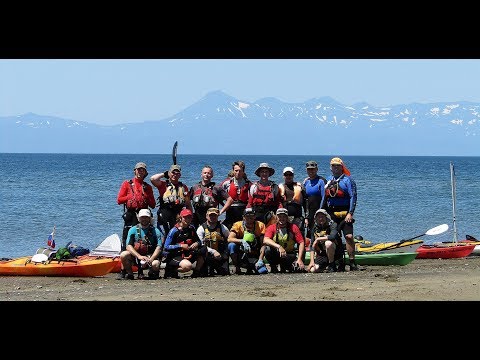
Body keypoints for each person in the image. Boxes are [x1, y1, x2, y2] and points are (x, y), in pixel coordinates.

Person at [117, 162, 156, 278]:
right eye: (138, 170)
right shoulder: (127, 184)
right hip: (130, 215)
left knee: (142, 242)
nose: (140, 172)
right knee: (126, 242)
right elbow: (119, 200)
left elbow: (153, 204)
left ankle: (140, 271)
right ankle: (123, 270)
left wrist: (146, 196)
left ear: (145, 173)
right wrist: (131, 197)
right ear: (134, 171)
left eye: (142, 170)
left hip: (143, 215)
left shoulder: (147, 187)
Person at [321, 157, 358, 271]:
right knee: (334, 237)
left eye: (337, 166)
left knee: (349, 236)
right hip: (332, 213)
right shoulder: (328, 180)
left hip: (345, 212)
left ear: (342, 167)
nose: (335, 168)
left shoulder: (348, 180)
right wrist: (320, 211)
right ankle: (335, 263)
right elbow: (324, 197)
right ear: (330, 168)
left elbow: (353, 197)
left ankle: (352, 262)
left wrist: (350, 213)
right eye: (333, 166)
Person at [117, 209, 164, 280]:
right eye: (142, 217)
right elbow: (128, 246)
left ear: (149, 218)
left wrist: (151, 259)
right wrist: (139, 256)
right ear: (138, 218)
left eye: (146, 217)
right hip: (136, 256)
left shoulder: (155, 231)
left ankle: (152, 272)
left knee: (156, 264)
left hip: (150, 255)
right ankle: (130, 274)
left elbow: (159, 247)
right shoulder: (132, 230)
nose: (144, 219)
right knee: (124, 254)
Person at [162, 208, 207, 278]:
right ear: (180, 218)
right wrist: (180, 246)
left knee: (203, 250)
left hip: (188, 253)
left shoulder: (191, 228)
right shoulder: (174, 231)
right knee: (187, 266)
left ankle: (196, 271)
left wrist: (196, 243)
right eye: (185, 218)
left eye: (189, 217)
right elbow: (166, 247)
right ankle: (171, 269)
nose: (187, 220)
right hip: (174, 255)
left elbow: (199, 241)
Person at [150, 164, 192, 236]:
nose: (175, 175)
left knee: (177, 235)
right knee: (164, 235)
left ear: (180, 175)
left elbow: (188, 204)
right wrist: (164, 174)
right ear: (169, 173)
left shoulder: (184, 187)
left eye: (177, 173)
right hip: (165, 213)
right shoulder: (163, 184)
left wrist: (190, 217)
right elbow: (153, 179)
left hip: (178, 215)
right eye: (173, 173)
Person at [261, 207, 305, 273]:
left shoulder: (294, 227)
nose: (282, 219)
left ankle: (285, 266)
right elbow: (265, 240)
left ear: (287, 218)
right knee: (267, 249)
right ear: (276, 217)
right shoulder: (272, 227)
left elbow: (301, 242)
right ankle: (273, 266)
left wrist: (299, 259)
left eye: (284, 216)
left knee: (296, 270)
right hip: (276, 253)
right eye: (279, 216)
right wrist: (279, 247)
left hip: (288, 255)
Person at [227, 208, 266, 275]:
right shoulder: (237, 225)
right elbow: (229, 239)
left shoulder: (260, 225)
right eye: (247, 215)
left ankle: (255, 264)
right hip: (241, 252)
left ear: (255, 216)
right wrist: (242, 241)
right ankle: (237, 267)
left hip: (255, 251)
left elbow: (263, 244)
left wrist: (260, 259)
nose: (249, 217)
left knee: (262, 271)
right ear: (243, 217)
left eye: (251, 215)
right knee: (231, 245)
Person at [306, 208, 344, 273]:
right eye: (319, 217)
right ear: (316, 218)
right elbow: (312, 245)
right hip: (323, 254)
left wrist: (318, 239)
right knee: (313, 270)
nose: (321, 219)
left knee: (328, 243)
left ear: (326, 217)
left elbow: (332, 237)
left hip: (335, 252)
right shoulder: (314, 228)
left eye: (322, 216)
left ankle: (332, 265)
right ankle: (324, 266)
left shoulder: (333, 225)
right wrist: (311, 261)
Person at [196, 207, 230, 276]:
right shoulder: (201, 229)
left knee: (224, 273)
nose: (213, 217)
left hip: (220, 255)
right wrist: (213, 251)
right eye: (210, 215)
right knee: (205, 274)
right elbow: (200, 244)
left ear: (218, 216)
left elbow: (229, 239)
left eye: (215, 215)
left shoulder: (223, 227)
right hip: (207, 256)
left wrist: (225, 253)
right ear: (206, 216)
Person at [219, 161, 252, 230]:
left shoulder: (249, 184)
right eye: (236, 170)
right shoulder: (226, 183)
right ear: (233, 171)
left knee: (242, 229)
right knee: (230, 229)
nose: (238, 173)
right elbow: (218, 195)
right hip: (231, 210)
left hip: (243, 211)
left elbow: (252, 198)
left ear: (243, 172)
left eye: (240, 171)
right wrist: (224, 206)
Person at [302, 160, 326, 240]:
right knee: (310, 232)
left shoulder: (321, 181)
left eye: (313, 169)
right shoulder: (306, 182)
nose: (311, 171)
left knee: (320, 231)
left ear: (316, 169)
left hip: (319, 210)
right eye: (309, 169)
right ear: (306, 170)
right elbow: (305, 200)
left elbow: (324, 197)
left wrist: (320, 211)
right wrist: (306, 216)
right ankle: (311, 249)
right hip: (310, 212)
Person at [278, 166, 307, 233]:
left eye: (290, 174)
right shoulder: (279, 188)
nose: (288, 176)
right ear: (283, 176)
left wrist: (306, 217)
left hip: (298, 217)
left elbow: (305, 203)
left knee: (300, 238)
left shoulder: (300, 187)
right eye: (286, 174)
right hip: (284, 218)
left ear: (293, 175)